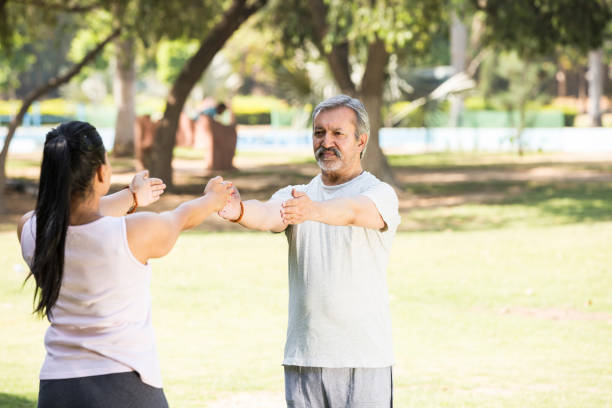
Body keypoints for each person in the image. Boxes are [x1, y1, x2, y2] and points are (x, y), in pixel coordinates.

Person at [17, 121, 233, 408]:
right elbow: (181, 217)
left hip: (57, 388)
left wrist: (132, 196)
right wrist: (212, 199)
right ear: (101, 172)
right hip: (125, 387)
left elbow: (70, 215)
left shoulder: (30, 231)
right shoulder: (131, 234)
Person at [218, 95, 401, 407]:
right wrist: (237, 210)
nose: (326, 142)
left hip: (363, 358)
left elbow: (354, 212)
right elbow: (266, 213)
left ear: (361, 141)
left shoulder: (378, 194)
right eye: (319, 133)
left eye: (337, 134)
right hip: (304, 357)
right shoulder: (296, 195)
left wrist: (313, 210)